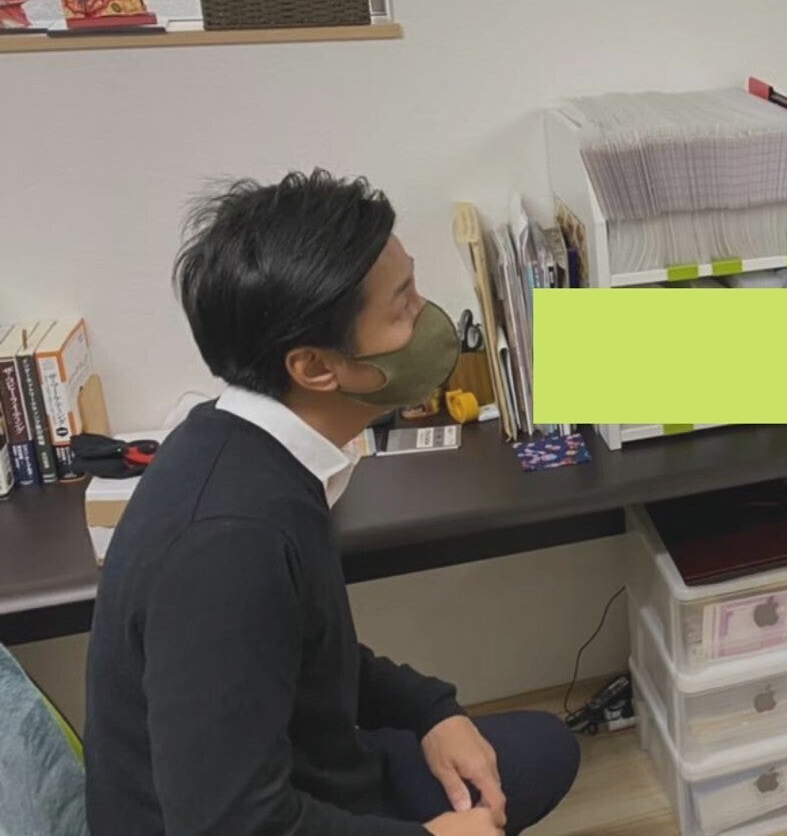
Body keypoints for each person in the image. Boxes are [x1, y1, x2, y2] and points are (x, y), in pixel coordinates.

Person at [83, 170, 581, 836]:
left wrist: (431, 711)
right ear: (315, 367)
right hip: (243, 817)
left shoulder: (252, 446)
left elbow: (310, 653)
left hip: (304, 767)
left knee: (539, 751)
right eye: (402, 308)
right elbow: (226, 824)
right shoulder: (227, 546)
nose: (428, 318)